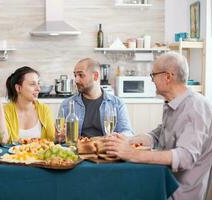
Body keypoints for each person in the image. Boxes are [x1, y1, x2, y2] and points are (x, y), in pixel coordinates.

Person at [99, 52, 212, 200]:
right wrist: (128, 141)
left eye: (153, 75)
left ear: (168, 77)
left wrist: (132, 154)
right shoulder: (174, 104)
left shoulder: (195, 108)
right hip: (162, 182)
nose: (151, 80)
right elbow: (158, 135)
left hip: (178, 193)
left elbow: (185, 157)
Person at [58, 58, 133, 140]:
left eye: (81, 75)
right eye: (75, 75)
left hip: (107, 151)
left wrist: (110, 138)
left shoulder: (117, 104)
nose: (76, 80)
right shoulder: (67, 104)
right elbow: (58, 138)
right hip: (77, 151)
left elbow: (128, 133)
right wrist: (60, 136)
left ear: (95, 76)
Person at [0, 66, 55, 143]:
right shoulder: (6, 110)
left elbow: (53, 139)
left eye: (38, 83)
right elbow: (3, 140)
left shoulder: (44, 109)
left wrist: (60, 136)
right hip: (12, 155)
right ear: (18, 88)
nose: (38, 89)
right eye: (32, 84)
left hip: (39, 154)